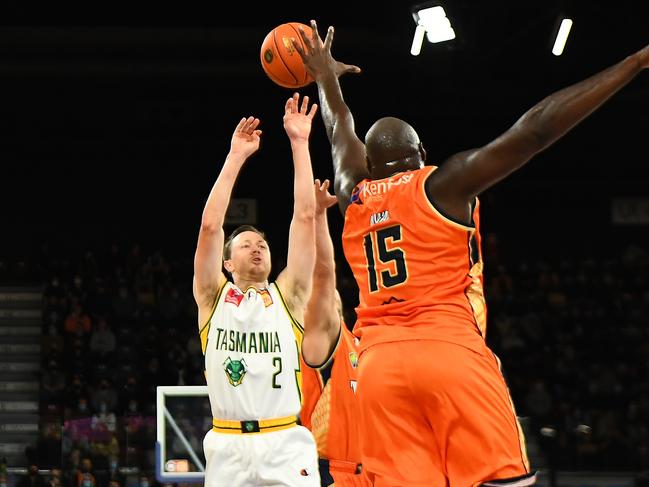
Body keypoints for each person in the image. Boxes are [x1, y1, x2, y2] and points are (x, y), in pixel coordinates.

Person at [294, 19, 649, 486]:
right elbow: (536, 130)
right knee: (505, 481)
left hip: (378, 366)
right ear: (421, 152)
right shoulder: (445, 184)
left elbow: (340, 130)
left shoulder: (352, 194)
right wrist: (633, 63)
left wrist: (324, 78)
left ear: (370, 164)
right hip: (448, 349)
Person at [193, 93, 320, 486]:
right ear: (227, 264)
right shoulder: (213, 298)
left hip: (284, 440)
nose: (257, 246)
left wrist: (299, 143)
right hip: (227, 444)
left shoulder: (289, 295)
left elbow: (303, 217)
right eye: (245, 243)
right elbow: (211, 227)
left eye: (262, 243)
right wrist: (235, 157)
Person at [300, 179, 372, 487]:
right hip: (335, 471)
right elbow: (324, 274)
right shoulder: (324, 344)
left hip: (380, 468)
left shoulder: (366, 341)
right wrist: (317, 218)